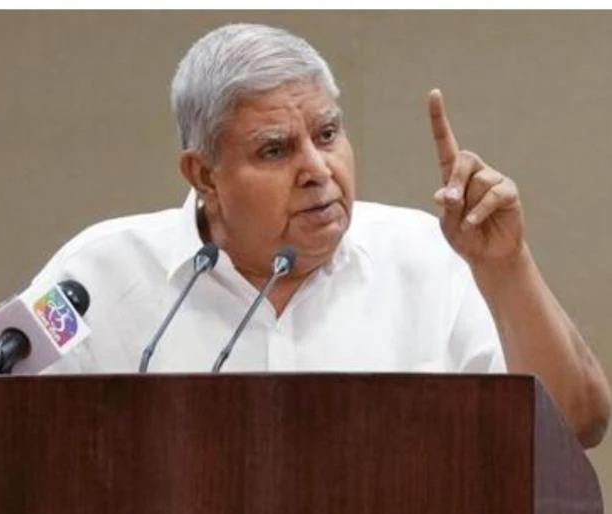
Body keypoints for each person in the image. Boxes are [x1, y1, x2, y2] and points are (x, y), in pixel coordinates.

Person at [36, 23, 610, 448]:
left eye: (328, 134)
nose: (317, 168)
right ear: (204, 175)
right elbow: (2, 423)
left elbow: (579, 425)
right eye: (275, 150)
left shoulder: (431, 259)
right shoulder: (90, 276)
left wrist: (506, 264)